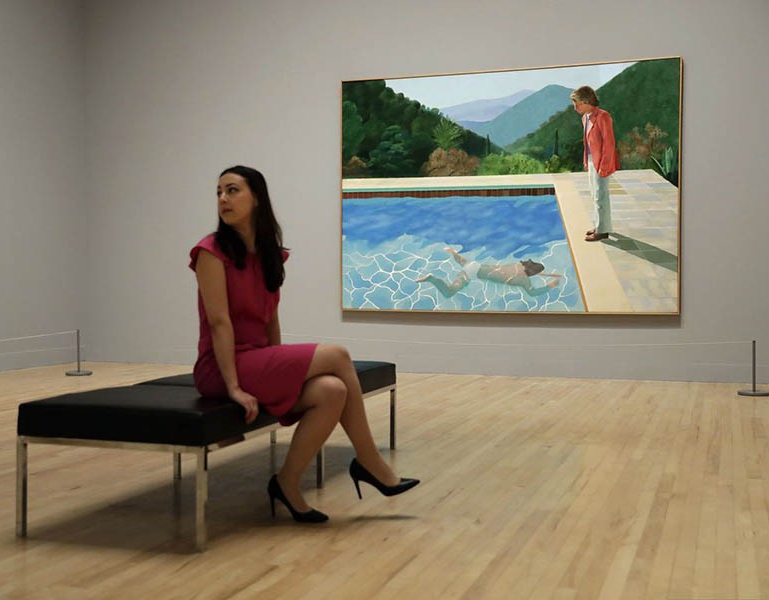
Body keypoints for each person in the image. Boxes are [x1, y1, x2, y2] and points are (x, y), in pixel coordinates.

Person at [190, 165, 418, 523]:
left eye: (232, 190)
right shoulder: (210, 252)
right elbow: (219, 323)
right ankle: (370, 462)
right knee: (338, 356)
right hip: (221, 367)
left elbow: (270, 319)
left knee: (332, 391)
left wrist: (277, 363)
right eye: (218, 192)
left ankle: (287, 483)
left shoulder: (267, 254)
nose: (222, 198)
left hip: (255, 359)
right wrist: (233, 387)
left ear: (257, 198)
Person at [570, 86, 620, 242]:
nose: (575, 107)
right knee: (595, 193)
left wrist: (604, 165)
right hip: (592, 160)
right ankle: (600, 225)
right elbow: (587, 143)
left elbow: (609, 143)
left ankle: (602, 231)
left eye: (577, 103)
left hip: (602, 161)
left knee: (601, 195)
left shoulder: (603, 116)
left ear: (586, 101)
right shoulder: (585, 118)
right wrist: (586, 159)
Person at [415, 247, 562, 298]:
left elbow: (528, 271)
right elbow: (533, 293)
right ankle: (432, 279)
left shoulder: (519, 265)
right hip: (472, 274)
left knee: (462, 262)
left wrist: (546, 274)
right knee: (448, 293)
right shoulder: (524, 281)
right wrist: (550, 285)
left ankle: (453, 252)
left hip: (475, 266)